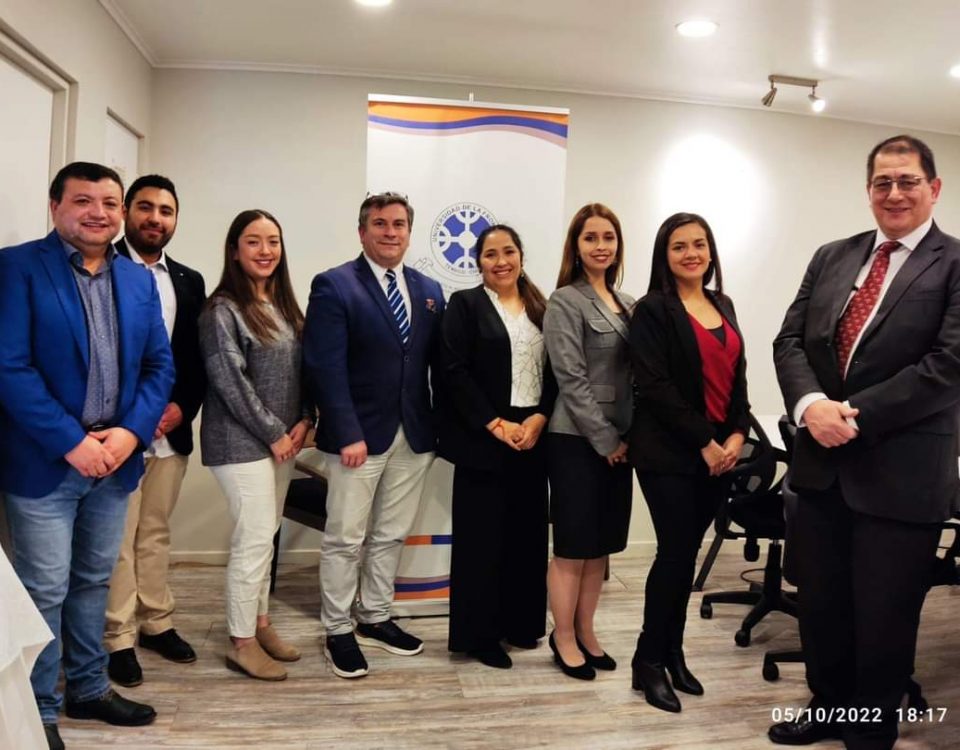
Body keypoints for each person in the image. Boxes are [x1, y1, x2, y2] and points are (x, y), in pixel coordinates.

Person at [771, 134, 960, 749]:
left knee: (886, 615)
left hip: (902, 473)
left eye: (908, 181)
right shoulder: (832, 256)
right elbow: (789, 341)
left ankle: (870, 729)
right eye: (883, 182)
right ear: (868, 190)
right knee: (821, 606)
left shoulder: (955, 263)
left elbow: (948, 364)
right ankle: (828, 707)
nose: (894, 193)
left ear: (934, 188)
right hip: (820, 469)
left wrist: (850, 415)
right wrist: (810, 406)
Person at [0, 162, 174, 750]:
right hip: (46, 462)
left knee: (94, 582)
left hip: (115, 461)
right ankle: (38, 710)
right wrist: (72, 442)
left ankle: (89, 687)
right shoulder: (18, 267)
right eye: (82, 200)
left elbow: (159, 367)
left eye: (109, 202)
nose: (98, 212)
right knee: (44, 589)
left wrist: (129, 433)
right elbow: (10, 368)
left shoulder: (137, 280)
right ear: (55, 207)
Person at [303, 192, 445, 679]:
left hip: (414, 435)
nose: (390, 232)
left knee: (390, 534)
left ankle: (375, 616)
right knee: (345, 538)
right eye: (380, 224)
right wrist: (346, 431)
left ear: (409, 232)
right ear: (362, 231)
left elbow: (435, 364)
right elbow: (324, 365)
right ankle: (338, 628)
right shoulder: (335, 284)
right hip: (357, 439)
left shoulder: (429, 289)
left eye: (399, 224)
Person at [628, 212, 749, 713]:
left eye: (699, 244)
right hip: (669, 452)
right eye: (679, 246)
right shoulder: (653, 309)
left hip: (719, 454)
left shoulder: (723, 303)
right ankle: (648, 661)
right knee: (675, 555)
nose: (691, 253)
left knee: (687, 556)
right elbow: (654, 385)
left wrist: (738, 433)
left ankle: (671, 653)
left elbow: (738, 376)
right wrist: (704, 441)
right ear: (665, 255)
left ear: (711, 251)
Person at [199, 209, 312, 681]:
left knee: (266, 537)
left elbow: (303, 370)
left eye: (273, 241)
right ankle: (241, 643)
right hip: (239, 442)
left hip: (282, 441)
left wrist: (305, 420)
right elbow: (231, 383)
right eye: (253, 241)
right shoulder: (222, 310)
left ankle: (260, 624)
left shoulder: (284, 306)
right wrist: (275, 433)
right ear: (234, 250)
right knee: (254, 539)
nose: (265, 251)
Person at [439, 224, 557, 669]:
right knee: (481, 540)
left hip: (533, 435)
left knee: (527, 536)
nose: (501, 261)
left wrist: (540, 417)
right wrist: (494, 423)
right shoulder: (465, 305)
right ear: (478, 262)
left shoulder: (542, 307)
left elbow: (559, 369)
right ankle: (480, 636)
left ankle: (521, 624)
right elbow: (452, 370)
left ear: (521, 256)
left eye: (508, 251)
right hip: (483, 436)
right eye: (490, 254)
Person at [105, 175, 207, 687]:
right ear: (127, 211)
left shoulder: (189, 280)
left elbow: (194, 359)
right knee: (119, 538)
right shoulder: (102, 269)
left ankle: (156, 621)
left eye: (166, 211)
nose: (155, 219)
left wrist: (182, 408)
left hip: (169, 431)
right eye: (145, 208)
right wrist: (134, 418)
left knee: (156, 530)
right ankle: (118, 636)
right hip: (117, 433)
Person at [543, 203, 635, 681]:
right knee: (573, 545)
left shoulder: (630, 303)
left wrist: (627, 439)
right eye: (591, 237)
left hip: (623, 441)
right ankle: (562, 637)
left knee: (601, 546)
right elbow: (571, 379)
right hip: (577, 439)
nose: (601, 246)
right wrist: (605, 440)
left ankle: (586, 630)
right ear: (576, 247)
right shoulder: (565, 301)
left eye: (608, 237)